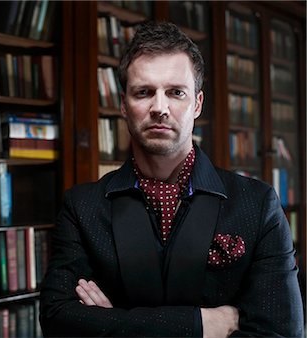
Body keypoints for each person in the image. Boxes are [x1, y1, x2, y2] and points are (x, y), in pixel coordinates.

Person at [39, 21, 304, 337]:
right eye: (144, 92)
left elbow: (282, 333)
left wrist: (115, 323)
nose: (159, 108)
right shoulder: (81, 207)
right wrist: (201, 324)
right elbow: (58, 320)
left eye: (176, 92)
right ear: (123, 105)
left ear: (197, 104)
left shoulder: (257, 204)